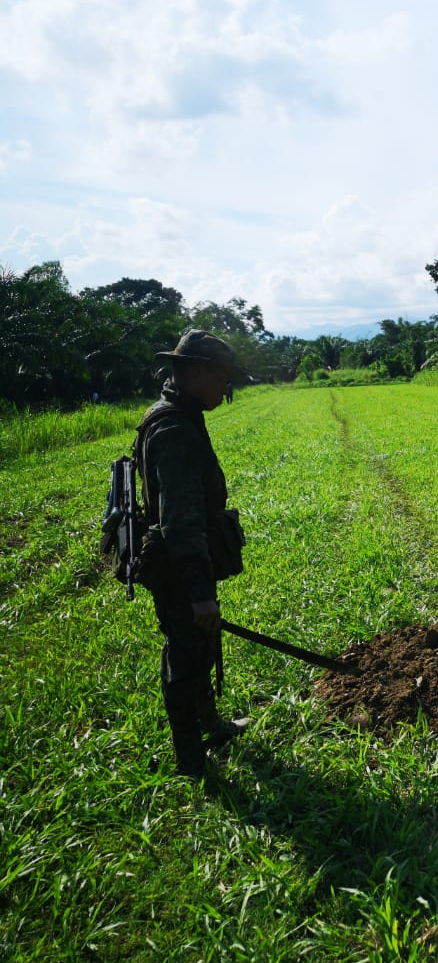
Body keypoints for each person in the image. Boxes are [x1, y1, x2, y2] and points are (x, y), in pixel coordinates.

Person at [136, 329, 251, 778]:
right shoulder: (175, 429)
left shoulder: (175, 413)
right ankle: (191, 759)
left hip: (178, 561)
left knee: (201, 645)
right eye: (222, 379)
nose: (227, 389)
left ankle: (211, 724)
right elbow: (180, 520)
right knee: (185, 656)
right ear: (197, 372)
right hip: (177, 565)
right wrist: (201, 591)